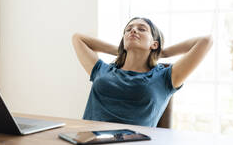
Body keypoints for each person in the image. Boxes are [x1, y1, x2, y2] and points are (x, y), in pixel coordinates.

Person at [72, 17, 213, 127]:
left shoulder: (165, 78)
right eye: (128, 30)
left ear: (154, 43)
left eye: (142, 29)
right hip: (88, 144)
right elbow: (78, 38)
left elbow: (206, 41)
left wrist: (162, 53)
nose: (133, 31)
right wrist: (123, 48)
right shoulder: (103, 70)